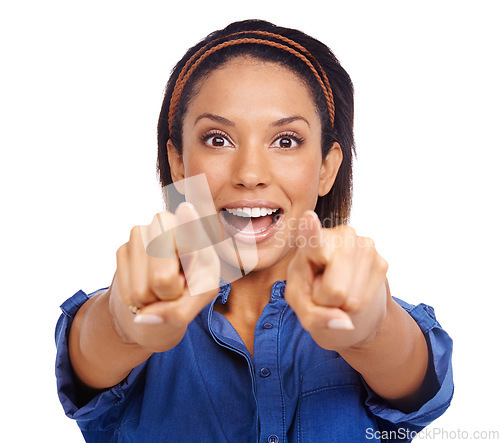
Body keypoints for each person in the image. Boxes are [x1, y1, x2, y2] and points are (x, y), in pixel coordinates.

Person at [55, 19, 453, 442]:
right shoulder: (136, 309)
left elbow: (410, 369)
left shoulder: (378, 316)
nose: (249, 173)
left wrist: (372, 331)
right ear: (177, 164)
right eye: (217, 139)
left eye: (285, 140)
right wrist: (122, 322)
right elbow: (92, 348)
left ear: (326, 168)